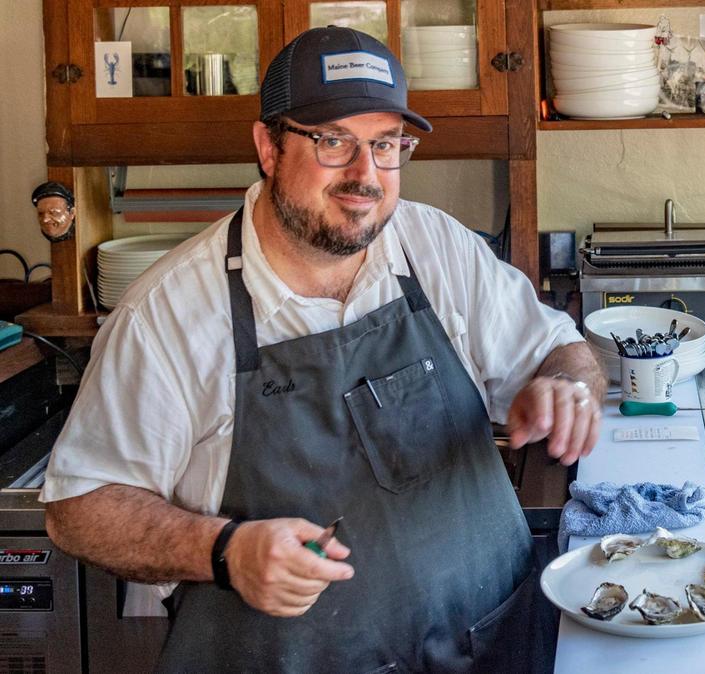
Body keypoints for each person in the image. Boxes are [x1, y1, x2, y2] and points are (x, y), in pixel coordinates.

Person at [41, 26, 604, 673]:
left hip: (489, 645)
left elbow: (561, 348)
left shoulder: (435, 247)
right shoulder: (168, 316)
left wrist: (568, 386)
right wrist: (224, 550)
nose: (365, 175)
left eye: (387, 144)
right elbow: (80, 507)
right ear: (268, 147)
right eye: (334, 141)